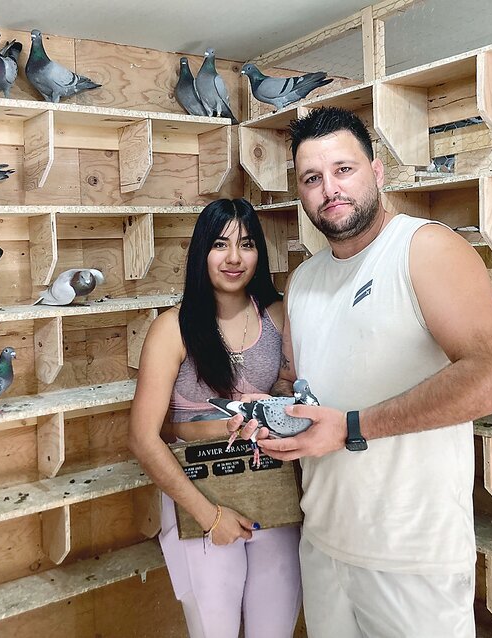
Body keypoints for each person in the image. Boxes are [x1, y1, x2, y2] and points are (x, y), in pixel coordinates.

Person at [230, 106, 492, 637]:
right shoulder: (305, 281)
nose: (329, 189)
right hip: (324, 543)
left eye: (344, 169)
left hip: (413, 555)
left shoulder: (425, 248)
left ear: (377, 171)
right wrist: (266, 417)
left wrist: (353, 427)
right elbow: (296, 384)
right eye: (312, 178)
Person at [128, 198, 302, 638]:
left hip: (272, 487)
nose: (233, 258)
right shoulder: (174, 328)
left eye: (246, 244)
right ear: (201, 252)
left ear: (259, 253)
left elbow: (296, 394)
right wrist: (210, 518)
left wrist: (276, 403)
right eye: (220, 244)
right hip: (202, 497)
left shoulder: (278, 315)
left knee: (275, 629)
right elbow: (143, 439)